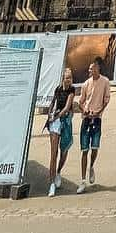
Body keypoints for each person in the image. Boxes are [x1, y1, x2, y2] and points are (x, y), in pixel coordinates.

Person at [76, 58, 112, 193]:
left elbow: (106, 99)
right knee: (84, 150)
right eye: (89, 69)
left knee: (95, 147)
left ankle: (91, 166)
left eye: (92, 68)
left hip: (97, 119)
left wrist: (99, 111)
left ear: (98, 69)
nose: (90, 71)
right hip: (86, 118)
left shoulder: (105, 82)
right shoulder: (86, 84)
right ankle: (83, 180)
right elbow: (80, 101)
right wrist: (84, 110)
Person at [45, 65, 75, 196]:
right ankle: (51, 183)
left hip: (65, 120)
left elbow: (67, 107)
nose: (68, 80)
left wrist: (57, 116)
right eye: (67, 78)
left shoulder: (72, 90)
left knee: (64, 150)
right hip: (55, 122)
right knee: (53, 153)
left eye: (70, 78)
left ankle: (58, 171)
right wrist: (50, 115)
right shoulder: (58, 89)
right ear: (62, 79)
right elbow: (52, 103)